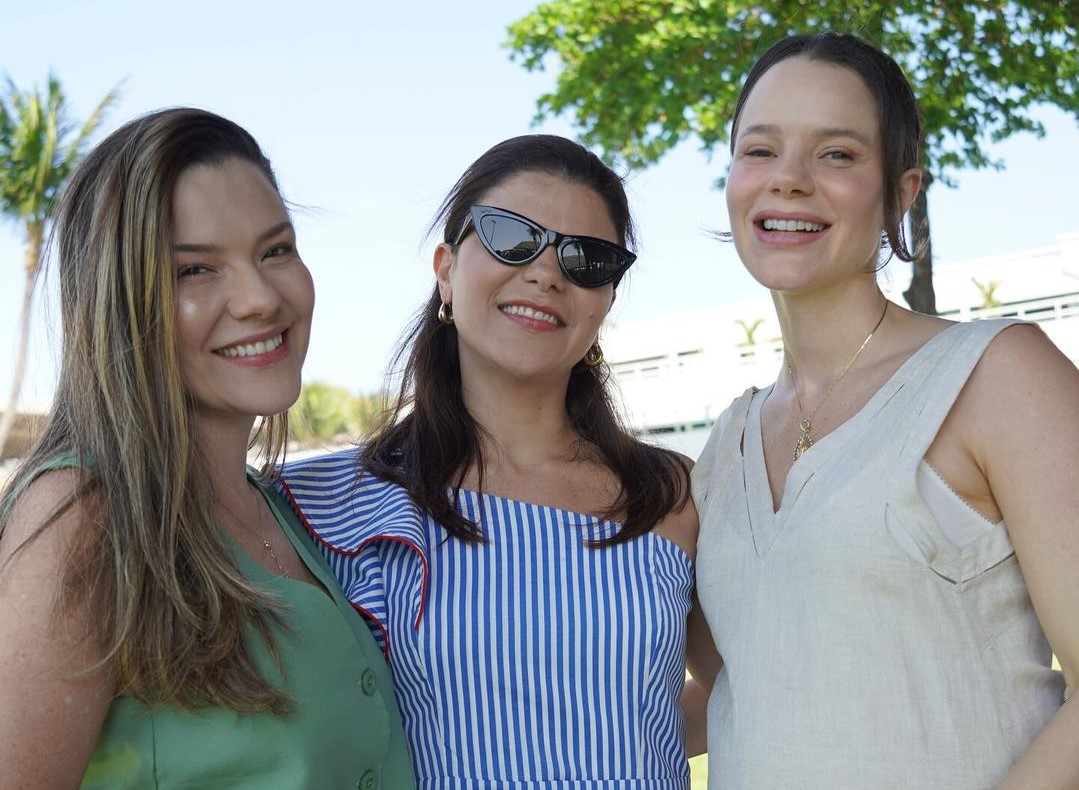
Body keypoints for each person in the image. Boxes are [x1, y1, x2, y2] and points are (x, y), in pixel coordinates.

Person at [688, 32, 1079, 789]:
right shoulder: (725, 444)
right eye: (759, 151)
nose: (788, 181)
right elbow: (759, 688)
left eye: (835, 154)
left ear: (900, 193)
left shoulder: (999, 374)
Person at [0, 108, 415, 789]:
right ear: (120, 302)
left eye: (275, 250)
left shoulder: (287, 513)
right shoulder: (82, 517)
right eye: (195, 270)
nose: (258, 298)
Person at [280, 134, 698, 787]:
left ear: (607, 298)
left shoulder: (672, 493)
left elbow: (746, 692)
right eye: (511, 237)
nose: (546, 272)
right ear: (446, 267)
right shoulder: (322, 503)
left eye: (587, 258)